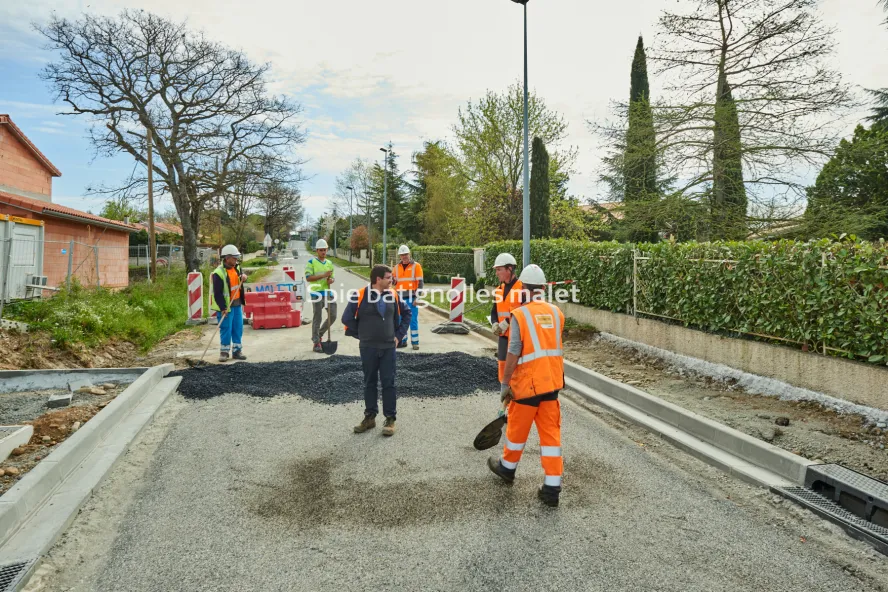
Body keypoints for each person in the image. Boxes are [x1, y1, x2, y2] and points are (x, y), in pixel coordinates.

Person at [487, 264, 565, 508]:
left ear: (524, 289)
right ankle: (552, 488)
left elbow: (513, 352)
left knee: (517, 431)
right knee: (551, 435)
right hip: (552, 384)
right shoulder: (556, 313)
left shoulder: (521, 315)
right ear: (542, 288)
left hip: (528, 385)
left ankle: (507, 468)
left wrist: (505, 382)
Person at [342, 265, 412, 437]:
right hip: (368, 347)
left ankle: (390, 419)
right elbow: (346, 318)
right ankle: (370, 417)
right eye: (388, 277)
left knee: (389, 382)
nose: (392, 280)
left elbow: (407, 313)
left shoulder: (393, 294)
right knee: (369, 382)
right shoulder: (359, 295)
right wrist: (363, 335)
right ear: (378, 279)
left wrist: (398, 335)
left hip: (389, 347)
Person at [210, 244, 248, 362]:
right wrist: (223, 308)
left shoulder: (237, 268)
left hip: (237, 305)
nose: (236, 260)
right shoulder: (218, 273)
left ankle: (237, 351)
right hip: (226, 307)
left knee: (238, 328)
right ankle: (224, 352)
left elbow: (240, 280)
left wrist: (244, 277)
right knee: (226, 328)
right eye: (234, 258)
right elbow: (217, 293)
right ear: (227, 258)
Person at [490, 253, 524, 385]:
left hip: (517, 338)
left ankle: (515, 401)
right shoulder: (499, 290)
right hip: (503, 338)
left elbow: (524, 312)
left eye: (499, 270)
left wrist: (508, 322)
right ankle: (504, 397)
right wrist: (495, 323)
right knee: (503, 368)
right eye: (496, 270)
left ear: (509, 269)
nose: (497, 273)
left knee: (516, 371)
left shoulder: (522, 288)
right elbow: (494, 312)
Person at [305, 239, 337, 353]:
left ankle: (319, 334)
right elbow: (308, 277)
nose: (323, 252)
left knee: (333, 315)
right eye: (321, 250)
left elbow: (332, 277)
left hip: (327, 292)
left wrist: (331, 280)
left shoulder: (329, 263)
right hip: (317, 293)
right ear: (317, 250)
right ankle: (316, 342)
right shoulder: (311, 262)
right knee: (317, 318)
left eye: (325, 250)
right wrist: (323, 275)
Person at [392, 244, 424, 350]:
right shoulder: (396, 268)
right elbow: (393, 282)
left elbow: (420, 283)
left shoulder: (416, 266)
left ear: (409, 254)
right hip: (399, 299)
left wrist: (417, 298)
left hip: (411, 298)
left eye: (405, 254)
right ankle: (403, 341)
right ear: (399, 256)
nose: (404, 257)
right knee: (400, 320)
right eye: (402, 255)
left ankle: (415, 342)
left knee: (412, 320)